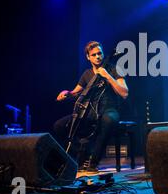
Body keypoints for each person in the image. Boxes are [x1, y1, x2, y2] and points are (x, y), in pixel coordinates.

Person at [53, 41, 128, 171]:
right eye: (94, 55)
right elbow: (76, 93)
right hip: (89, 111)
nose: (98, 57)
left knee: (109, 120)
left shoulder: (113, 69)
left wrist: (108, 77)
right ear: (88, 57)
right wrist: (66, 93)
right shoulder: (87, 74)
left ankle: (93, 162)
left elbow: (124, 92)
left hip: (109, 110)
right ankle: (79, 155)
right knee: (59, 126)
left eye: (100, 53)